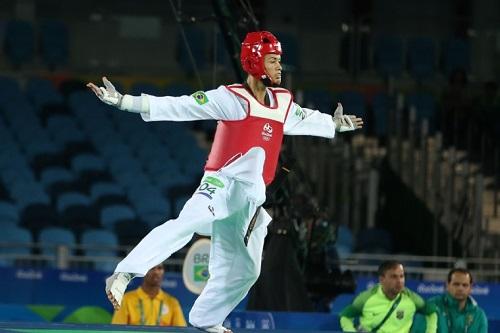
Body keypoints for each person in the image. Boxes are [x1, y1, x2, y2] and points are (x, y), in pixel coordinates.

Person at [87, 30, 363, 333]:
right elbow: (181, 105)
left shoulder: (282, 102)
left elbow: (303, 117)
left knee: (248, 271)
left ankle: (205, 319)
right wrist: (124, 101)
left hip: (250, 198)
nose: (279, 67)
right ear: (255, 62)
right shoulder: (231, 98)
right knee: (186, 224)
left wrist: (333, 123)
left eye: (279, 61)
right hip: (221, 184)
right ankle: (124, 274)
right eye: (273, 60)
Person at [339, 260, 437, 333]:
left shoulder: (411, 298)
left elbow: (432, 312)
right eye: (394, 277)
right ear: (382, 279)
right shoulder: (367, 298)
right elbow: (345, 316)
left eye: (402, 276)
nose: (399, 281)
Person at [111, 264, 187, 326]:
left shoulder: (172, 302)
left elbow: (181, 330)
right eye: (152, 268)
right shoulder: (126, 299)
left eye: (159, 268)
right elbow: (117, 329)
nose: (156, 272)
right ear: (142, 272)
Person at [427, 268, 488, 333]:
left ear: (470, 288)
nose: (460, 288)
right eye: (456, 284)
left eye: (465, 285)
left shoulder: (479, 315)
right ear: (447, 285)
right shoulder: (433, 305)